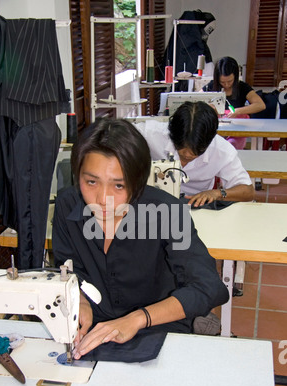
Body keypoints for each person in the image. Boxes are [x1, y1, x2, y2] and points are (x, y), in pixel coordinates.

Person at [52, 118, 229, 359]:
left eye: (118, 185)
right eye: (91, 181)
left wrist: (137, 319)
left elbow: (209, 288)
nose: (103, 199)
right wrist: (81, 302)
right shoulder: (67, 205)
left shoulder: (165, 212)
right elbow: (70, 269)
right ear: (78, 174)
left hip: (157, 328)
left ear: (137, 181)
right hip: (95, 329)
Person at [135, 101, 255, 207]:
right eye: (181, 147)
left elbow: (248, 191)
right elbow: (118, 135)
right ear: (172, 134)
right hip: (152, 203)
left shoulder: (222, 151)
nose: (187, 155)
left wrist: (217, 193)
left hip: (194, 206)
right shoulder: (150, 133)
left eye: (196, 151)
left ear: (209, 141)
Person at [203, 56, 266, 149]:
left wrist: (238, 111)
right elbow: (196, 101)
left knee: (231, 146)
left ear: (236, 77)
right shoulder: (211, 86)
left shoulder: (243, 87)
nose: (226, 85)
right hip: (215, 131)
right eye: (222, 82)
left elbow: (261, 105)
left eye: (230, 81)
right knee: (212, 146)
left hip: (236, 131)